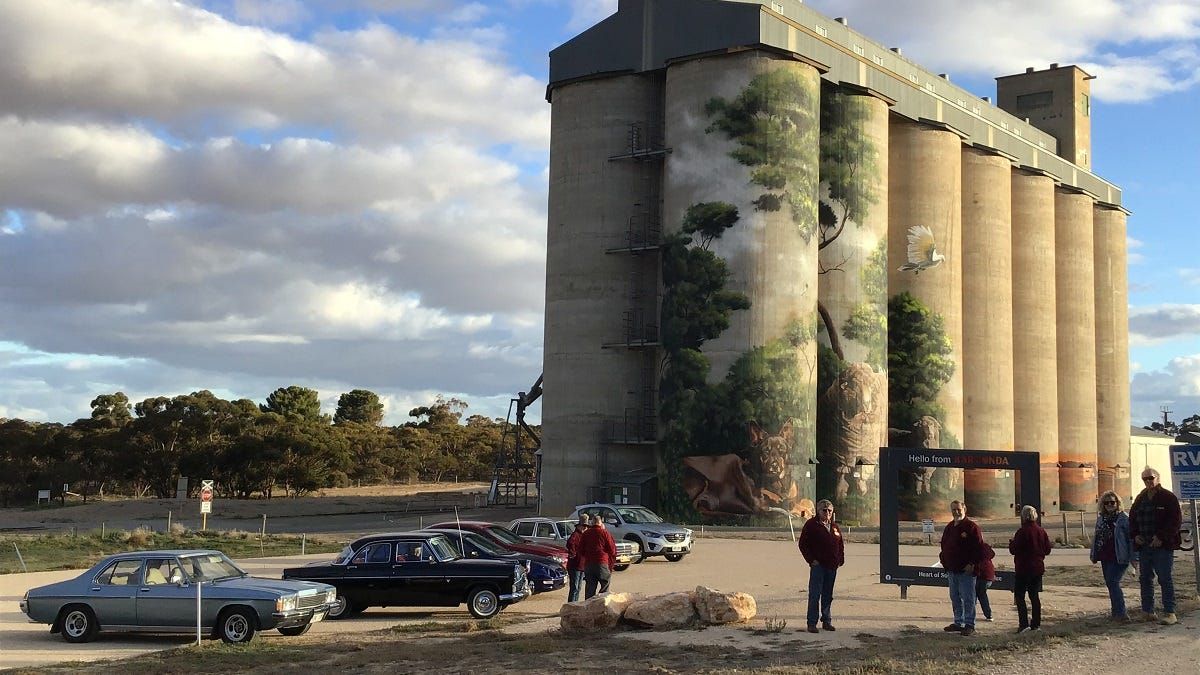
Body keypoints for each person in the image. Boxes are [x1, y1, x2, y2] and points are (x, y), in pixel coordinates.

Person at [1129, 467, 1183, 625]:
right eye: (1145, 479)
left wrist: (1161, 537)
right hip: (1145, 546)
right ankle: (1148, 611)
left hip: (1162, 546)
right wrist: (1135, 535)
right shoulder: (1141, 497)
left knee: (1164, 578)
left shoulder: (1168, 497)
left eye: (1150, 478)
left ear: (1157, 478)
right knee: (1145, 578)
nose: (1148, 481)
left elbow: (1175, 521)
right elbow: (1132, 519)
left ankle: (1170, 612)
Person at [797, 499, 845, 633]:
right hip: (818, 566)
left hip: (832, 566)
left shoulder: (834, 526)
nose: (827, 513)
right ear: (818, 511)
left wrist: (840, 559)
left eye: (830, 510)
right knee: (815, 595)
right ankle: (812, 623)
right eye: (824, 510)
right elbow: (803, 544)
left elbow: (840, 544)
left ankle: (826, 621)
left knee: (828, 595)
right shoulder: (811, 525)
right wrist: (811, 560)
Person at [939, 500, 984, 636]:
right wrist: (944, 561)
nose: (956, 512)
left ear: (964, 509)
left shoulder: (971, 527)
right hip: (952, 570)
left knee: (968, 598)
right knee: (955, 597)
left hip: (966, 571)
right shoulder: (949, 527)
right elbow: (944, 545)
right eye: (954, 509)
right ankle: (958, 622)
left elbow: (979, 548)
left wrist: (972, 564)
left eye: (959, 509)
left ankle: (969, 624)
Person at [1090, 490, 1134, 622]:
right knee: (1110, 583)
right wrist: (1094, 554)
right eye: (1106, 502)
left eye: (1112, 502)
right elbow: (1097, 537)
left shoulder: (1123, 519)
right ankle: (1115, 613)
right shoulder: (1101, 519)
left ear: (1117, 503)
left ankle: (1122, 613)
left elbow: (1130, 539)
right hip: (1105, 555)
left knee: (1113, 582)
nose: (1109, 505)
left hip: (1119, 556)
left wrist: (1134, 558)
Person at [1008, 504, 1051, 633]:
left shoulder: (1022, 532)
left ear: (1023, 517)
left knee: (1020, 596)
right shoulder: (1041, 531)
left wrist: (1011, 543)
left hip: (1023, 568)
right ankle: (1036, 624)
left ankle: (1023, 624)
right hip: (1037, 568)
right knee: (1034, 596)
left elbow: (1014, 550)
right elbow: (1047, 550)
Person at [581, 513, 617, 599]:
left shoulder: (586, 534)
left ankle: (589, 604)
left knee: (590, 587)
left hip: (589, 563)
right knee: (605, 584)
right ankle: (602, 602)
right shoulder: (604, 533)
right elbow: (612, 549)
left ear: (592, 523)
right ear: (600, 523)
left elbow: (580, 549)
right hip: (601, 562)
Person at [565, 514, 590, 602]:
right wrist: (573, 554)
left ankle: (575, 604)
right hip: (575, 566)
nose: (585, 528)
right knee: (574, 588)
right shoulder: (575, 535)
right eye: (583, 526)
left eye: (586, 526)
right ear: (579, 526)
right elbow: (570, 544)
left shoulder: (585, 536)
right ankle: (571, 605)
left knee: (578, 588)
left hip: (582, 565)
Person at [974, 540, 997, 622]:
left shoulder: (974, 548)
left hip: (981, 574)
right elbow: (992, 554)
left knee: (975, 595)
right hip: (989, 575)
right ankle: (988, 615)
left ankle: (970, 615)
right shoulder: (985, 547)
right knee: (982, 595)